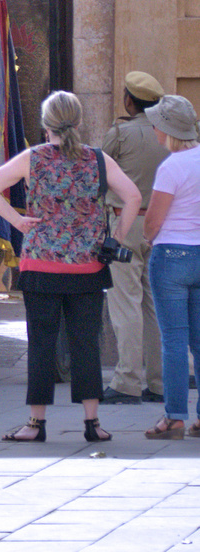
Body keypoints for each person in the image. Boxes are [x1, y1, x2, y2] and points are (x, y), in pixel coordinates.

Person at [0, 90, 140, 444]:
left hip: (40, 264)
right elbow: (134, 197)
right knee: (86, 343)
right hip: (89, 267)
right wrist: (117, 239)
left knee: (41, 344)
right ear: (79, 122)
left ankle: (35, 424)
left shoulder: (32, 158)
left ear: (45, 125)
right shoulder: (98, 160)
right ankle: (92, 423)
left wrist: (17, 221)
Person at [100, 71, 171, 405]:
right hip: (163, 228)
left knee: (125, 303)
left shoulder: (120, 134)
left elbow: (98, 176)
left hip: (124, 226)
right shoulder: (171, 136)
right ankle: (160, 381)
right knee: (155, 306)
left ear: (130, 100)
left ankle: (127, 380)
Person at [142, 93, 200, 439]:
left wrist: (150, 239)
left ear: (166, 128)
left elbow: (153, 221)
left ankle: (174, 416)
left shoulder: (171, 167)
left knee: (174, 340)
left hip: (172, 256)